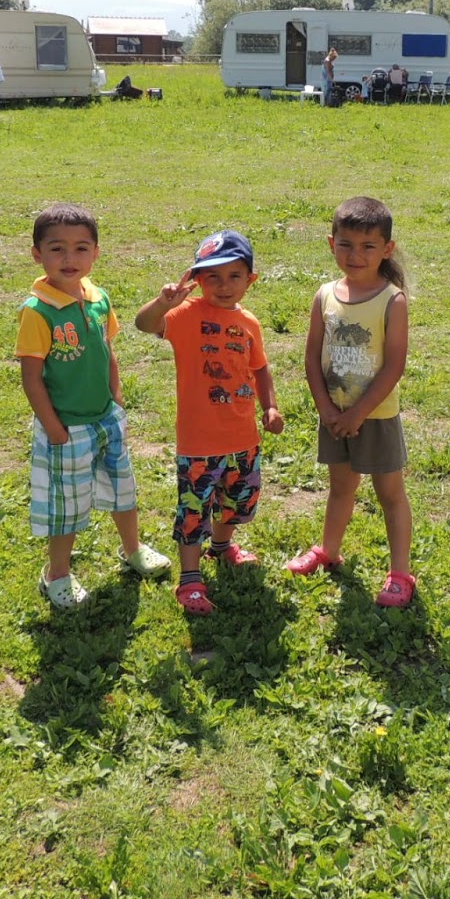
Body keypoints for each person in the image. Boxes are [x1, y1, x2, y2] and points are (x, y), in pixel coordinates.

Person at [15, 204, 171, 608]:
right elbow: (32, 378)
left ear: (96, 253)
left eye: (81, 248)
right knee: (66, 507)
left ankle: (132, 548)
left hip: (106, 418)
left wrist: (116, 397)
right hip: (66, 428)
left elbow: (107, 350)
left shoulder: (98, 297)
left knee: (124, 490)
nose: (70, 258)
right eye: (57, 249)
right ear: (37, 254)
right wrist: (54, 428)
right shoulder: (37, 312)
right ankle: (57, 574)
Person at [135, 230, 284, 615]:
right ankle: (190, 579)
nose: (223, 285)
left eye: (234, 276)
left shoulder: (249, 322)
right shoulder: (186, 314)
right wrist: (163, 303)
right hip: (199, 443)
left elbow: (260, 368)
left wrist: (270, 406)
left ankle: (221, 547)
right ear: (198, 280)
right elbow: (144, 324)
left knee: (236, 501)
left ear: (250, 279)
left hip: (243, 438)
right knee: (194, 510)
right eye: (212, 277)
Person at [285, 196, 415, 607]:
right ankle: (329, 551)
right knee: (340, 488)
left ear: (387, 249)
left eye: (368, 246)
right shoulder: (325, 294)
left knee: (390, 494)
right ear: (331, 243)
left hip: (375, 416)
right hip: (334, 415)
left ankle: (400, 573)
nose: (355, 255)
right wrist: (326, 409)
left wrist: (358, 413)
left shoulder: (392, 300)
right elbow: (312, 357)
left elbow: (394, 366)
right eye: (345, 244)